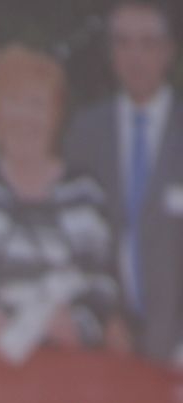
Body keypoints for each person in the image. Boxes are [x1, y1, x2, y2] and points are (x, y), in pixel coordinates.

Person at [0, 45, 127, 363]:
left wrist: (77, 325)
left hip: (68, 364)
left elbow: (102, 283)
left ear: (55, 115)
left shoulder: (83, 192)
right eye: (12, 101)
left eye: (36, 103)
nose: (24, 116)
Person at [65, 1, 183, 365]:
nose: (135, 57)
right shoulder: (85, 131)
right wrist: (104, 315)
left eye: (148, 43)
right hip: (109, 342)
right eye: (123, 42)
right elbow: (72, 237)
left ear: (169, 51)